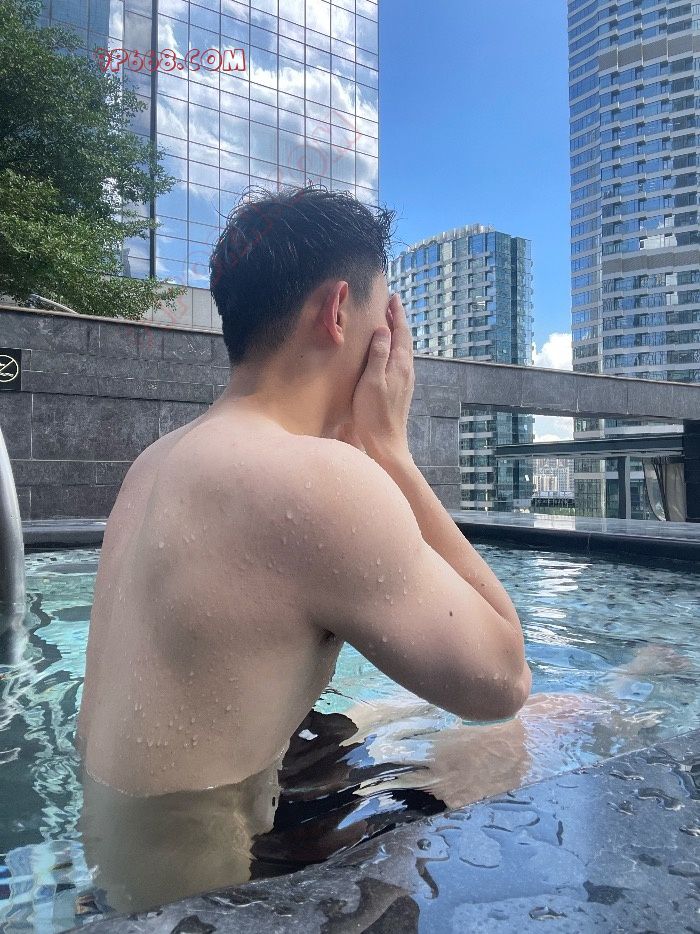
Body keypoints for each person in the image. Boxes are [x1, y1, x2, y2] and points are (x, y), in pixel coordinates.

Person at [74, 183, 534, 911]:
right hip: (218, 911)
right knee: (533, 733)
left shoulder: (155, 463)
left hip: (122, 884)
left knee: (385, 718)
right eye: (389, 318)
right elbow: (502, 684)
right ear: (339, 312)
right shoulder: (316, 480)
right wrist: (390, 451)